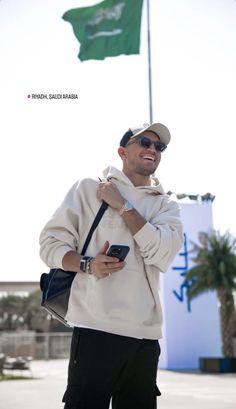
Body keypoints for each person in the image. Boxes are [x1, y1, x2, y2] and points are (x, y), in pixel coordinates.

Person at [39, 122, 183, 409]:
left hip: (144, 337)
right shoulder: (88, 189)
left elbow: (162, 255)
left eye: (159, 146)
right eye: (144, 142)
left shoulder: (167, 206)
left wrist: (123, 206)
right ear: (122, 151)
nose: (152, 149)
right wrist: (88, 264)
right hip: (94, 329)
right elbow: (50, 245)